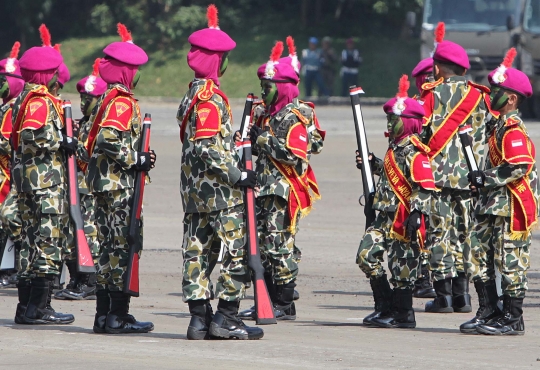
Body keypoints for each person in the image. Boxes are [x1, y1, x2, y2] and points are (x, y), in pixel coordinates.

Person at [177, 4, 263, 341]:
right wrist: (237, 175)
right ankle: (226, 317)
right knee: (234, 252)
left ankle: (199, 319)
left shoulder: (191, 94)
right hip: (219, 194)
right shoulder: (211, 99)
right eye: (224, 56)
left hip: (194, 193)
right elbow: (208, 148)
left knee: (197, 253)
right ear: (217, 61)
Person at [238, 38, 324, 320]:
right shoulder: (264, 113)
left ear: (284, 87)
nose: (264, 90)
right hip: (261, 188)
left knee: (280, 246)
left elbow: (294, 155)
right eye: (263, 85)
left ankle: (285, 303)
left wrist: (261, 139)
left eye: (269, 86)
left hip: (282, 191)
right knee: (262, 246)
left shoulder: (293, 116)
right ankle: (268, 298)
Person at [461, 48, 539, 335]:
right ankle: (489, 309)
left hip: (509, 206)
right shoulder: (497, 128)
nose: (493, 95)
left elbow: (519, 165)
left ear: (512, 99)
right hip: (491, 206)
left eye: (499, 91)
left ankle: (512, 317)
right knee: (478, 257)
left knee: (510, 262)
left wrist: (485, 179)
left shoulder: (513, 130)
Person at [85, 23, 156, 334]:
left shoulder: (107, 97)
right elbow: (108, 139)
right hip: (118, 185)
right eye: (136, 68)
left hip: (103, 184)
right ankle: (118, 315)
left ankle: (103, 315)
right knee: (122, 248)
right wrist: (135, 159)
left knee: (106, 249)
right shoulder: (122, 101)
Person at [421, 23, 494, 313]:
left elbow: (418, 136)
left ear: (439, 67)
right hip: (470, 178)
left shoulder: (429, 95)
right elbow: (493, 134)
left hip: (436, 178)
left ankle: (443, 297)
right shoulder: (481, 96)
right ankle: (463, 296)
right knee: (466, 235)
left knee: (439, 235)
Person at [356, 75, 437, 328]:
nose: (390, 122)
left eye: (394, 118)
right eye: (389, 118)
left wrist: (417, 213)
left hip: (402, 219)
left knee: (402, 270)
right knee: (366, 256)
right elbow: (392, 176)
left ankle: (402, 313)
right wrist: (373, 165)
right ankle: (384, 306)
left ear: (409, 122)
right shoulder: (395, 148)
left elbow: (425, 187)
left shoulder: (415, 150)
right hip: (382, 216)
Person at [11, 24, 75, 325]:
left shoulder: (25, 97)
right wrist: (61, 141)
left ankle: (26, 307)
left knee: (28, 242)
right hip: (43, 183)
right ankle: (39, 306)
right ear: (45, 74)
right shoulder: (39, 100)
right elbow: (32, 135)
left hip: (29, 181)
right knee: (47, 241)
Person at [55, 59, 107, 301]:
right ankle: (77, 276)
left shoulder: (101, 123)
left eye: (89, 99)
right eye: (82, 98)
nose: (83, 102)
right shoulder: (83, 123)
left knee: (89, 233)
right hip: (77, 188)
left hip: (92, 188)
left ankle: (90, 280)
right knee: (72, 233)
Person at [409, 57, 436, 299]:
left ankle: (424, 278)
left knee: (422, 225)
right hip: (452, 174)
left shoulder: (419, 104)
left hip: (423, 170)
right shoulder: (458, 100)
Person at [0, 41, 24, 289]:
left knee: (8, 219)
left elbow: (8, 143)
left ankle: (12, 268)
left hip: (10, 175)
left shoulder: (15, 109)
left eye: (5, 80)